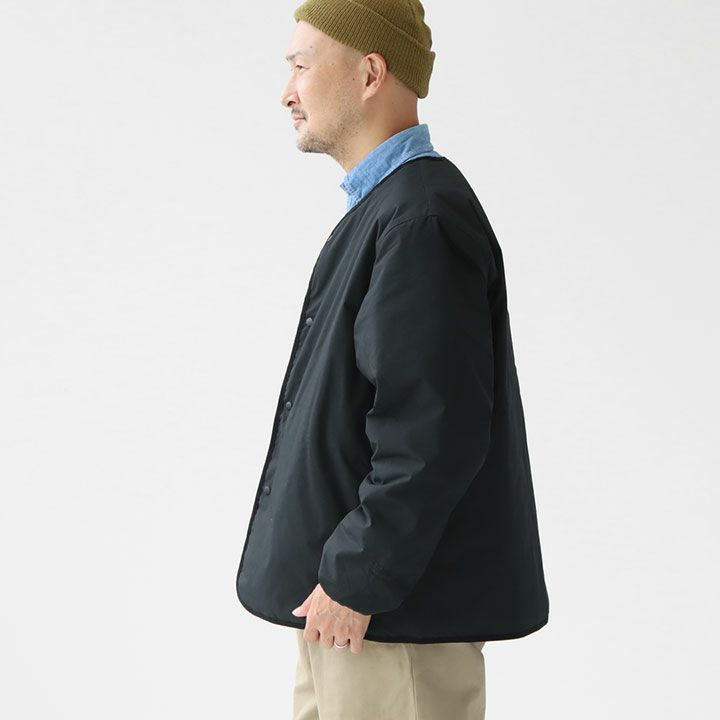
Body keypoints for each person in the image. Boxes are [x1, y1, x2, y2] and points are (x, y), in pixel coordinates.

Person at [235, 1, 550, 717]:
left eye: (301, 66)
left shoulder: (420, 219)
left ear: (370, 71)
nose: (286, 91)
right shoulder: (393, 211)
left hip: (384, 618)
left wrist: (357, 577)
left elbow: (432, 431)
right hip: (353, 614)